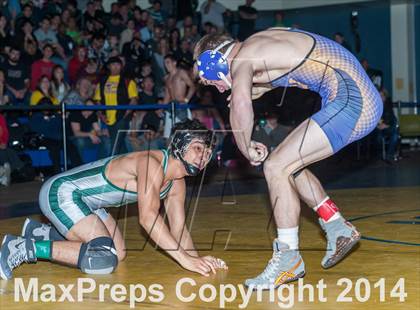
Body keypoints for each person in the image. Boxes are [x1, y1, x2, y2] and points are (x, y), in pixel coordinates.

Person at [194, 28, 382, 288]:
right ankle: (336, 226)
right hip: (352, 95)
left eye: (210, 80)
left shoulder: (242, 59)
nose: (215, 86)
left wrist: (244, 145)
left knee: (275, 166)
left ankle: (288, 258)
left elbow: (240, 105)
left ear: (214, 62)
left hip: (352, 99)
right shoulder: (258, 44)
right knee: (289, 165)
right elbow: (297, 62)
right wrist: (264, 86)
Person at [0, 119, 227, 280]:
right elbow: (148, 219)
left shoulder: (177, 181)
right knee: (103, 259)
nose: (203, 158)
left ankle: (41, 233)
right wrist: (186, 260)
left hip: (88, 202)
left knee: (118, 253)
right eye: (198, 148)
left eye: (207, 154)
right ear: (180, 144)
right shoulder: (151, 163)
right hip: (62, 193)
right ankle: (22, 247)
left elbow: (179, 230)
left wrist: (198, 261)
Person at [94, 56, 138, 154]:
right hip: (108, 118)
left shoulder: (128, 81)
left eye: (118, 64)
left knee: (114, 145)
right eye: (113, 65)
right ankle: (128, 164)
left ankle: (109, 165)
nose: (115, 67)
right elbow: (97, 101)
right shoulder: (102, 82)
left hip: (122, 117)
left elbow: (134, 100)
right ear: (109, 66)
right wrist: (101, 115)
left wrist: (126, 115)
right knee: (120, 145)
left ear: (121, 66)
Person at [163, 54, 195, 138]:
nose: (166, 65)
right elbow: (167, 95)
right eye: (165, 63)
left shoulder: (181, 73)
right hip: (171, 107)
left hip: (181, 106)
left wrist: (186, 100)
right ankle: (169, 151)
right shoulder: (167, 78)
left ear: (174, 63)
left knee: (184, 134)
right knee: (168, 135)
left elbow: (192, 86)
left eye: (168, 62)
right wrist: (161, 108)